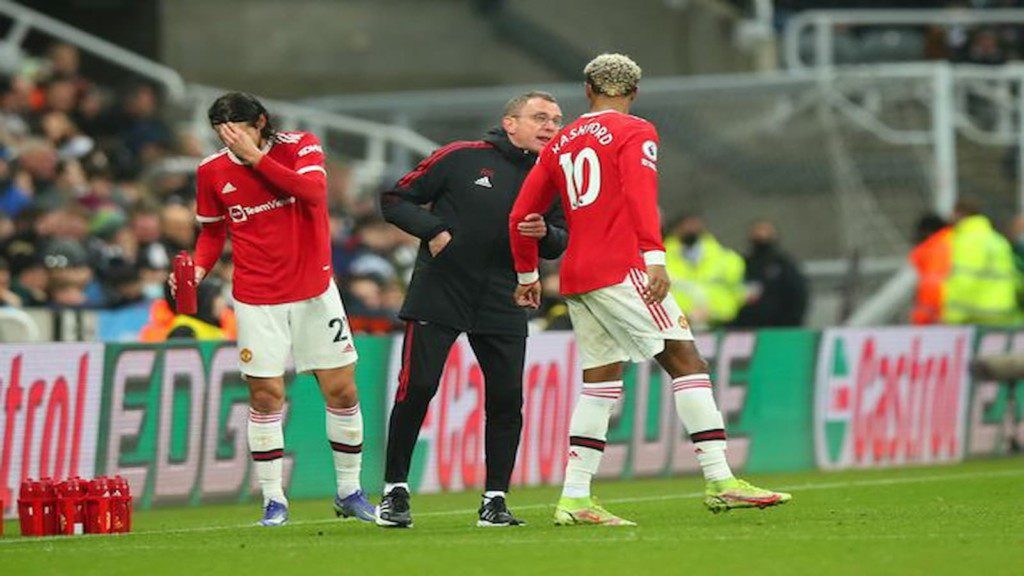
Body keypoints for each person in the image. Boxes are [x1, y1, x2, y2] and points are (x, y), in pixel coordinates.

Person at [510, 54, 790, 526]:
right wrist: (655, 257)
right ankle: (721, 480)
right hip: (623, 270)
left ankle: (575, 499)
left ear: (587, 90)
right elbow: (642, 195)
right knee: (686, 359)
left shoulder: (559, 143)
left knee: (600, 382)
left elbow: (521, 216)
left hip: (578, 275)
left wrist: (527, 275)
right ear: (634, 93)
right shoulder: (635, 130)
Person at [171, 92, 374, 526]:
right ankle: (273, 499)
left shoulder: (301, 146)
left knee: (342, 390)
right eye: (221, 135)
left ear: (260, 122)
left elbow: (314, 193)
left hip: (315, 291)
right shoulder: (211, 171)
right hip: (255, 297)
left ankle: (349, 491)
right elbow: (210, 235)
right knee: (265, 396)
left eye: (238, 131)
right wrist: (199, 271)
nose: (231, 142)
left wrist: (255, 158)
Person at [378, 91, 568, 528]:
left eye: (556, 120)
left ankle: (495, 502)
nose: (550, 127)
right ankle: (394, 492)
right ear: (510, 123)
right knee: (419, 387)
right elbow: (394, 199)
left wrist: (545, 234)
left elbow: (561, 238)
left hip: (506, 295)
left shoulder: (554, 175)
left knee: (506, 401)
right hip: (442, 288)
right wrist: (433, 229)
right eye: (540, 117)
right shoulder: (461, 157)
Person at [942, 198, 1018, 325]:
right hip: (1002, 314)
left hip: (973, 314)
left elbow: (964, 279)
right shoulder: (997, 239)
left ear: (960, 214)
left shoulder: (966, 241)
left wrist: (952, 316)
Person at [664, 214, 745, 330]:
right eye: (686, 226)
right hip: (674, 327)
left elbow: (738, 293)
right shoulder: (659, 260)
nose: (690, 229)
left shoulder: (728, 259)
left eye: (694, 225)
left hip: (719, 325)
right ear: (676, 230)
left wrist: (714, 312)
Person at [732, 219, 809, 327]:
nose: (761, 234)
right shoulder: (742, 264)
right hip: (745, 329)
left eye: (765, 231)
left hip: (779, 329)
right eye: (758, 231)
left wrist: (792, 323)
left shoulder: (784, 264)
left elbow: (798, 294)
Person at [908, 213, 952, 325]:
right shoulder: (955, 242)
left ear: (928, 232)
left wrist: (921, 319)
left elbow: (932, 286)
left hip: (940, 318)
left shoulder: (933, 250)